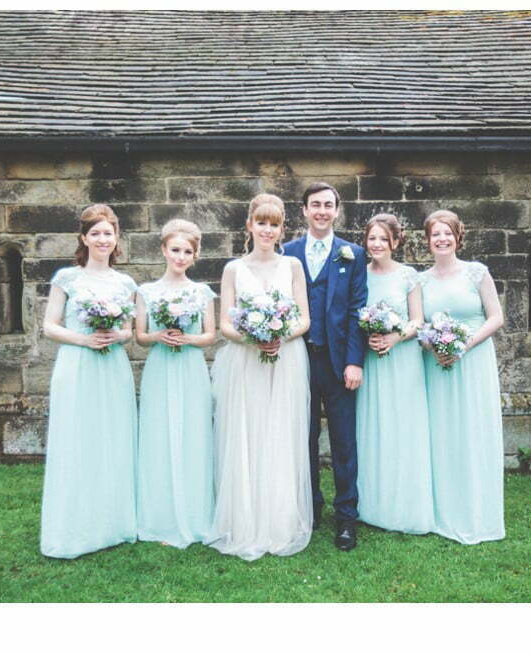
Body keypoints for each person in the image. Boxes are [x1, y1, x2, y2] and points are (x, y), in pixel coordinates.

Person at [206, 193, 312, 561]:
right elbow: (224, 324)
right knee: (247, 431)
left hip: (286, 358)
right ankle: (245, 522)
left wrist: (279, 335)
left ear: (282, 229)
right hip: (246, 360)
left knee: (280, 432)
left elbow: (304, 318)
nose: (267, 230)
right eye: (261, 223)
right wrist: (254, 338)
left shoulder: (293, 266)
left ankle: (279, 521)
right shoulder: (233, 269)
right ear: (249, 225)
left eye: (274, 224)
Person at [40, 204, 138, 559]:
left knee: (112, 438)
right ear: (83, 238)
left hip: (112, 366)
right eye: (95, 233)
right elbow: (50, 326)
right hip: (77, 364)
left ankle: (112, 524)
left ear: (116, 238)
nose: (102, 239)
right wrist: (84, 339)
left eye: (108, 233)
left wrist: (116, 335)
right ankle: (74, 527)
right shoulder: (67, 278)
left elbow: (128, 330)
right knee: (77, 439)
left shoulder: (125, 283)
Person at [284, 182, 368, 551]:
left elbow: (356, 311)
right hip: (297, 360)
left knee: (343, 442)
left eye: (328, 205)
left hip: (337, 363)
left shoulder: (353, 254)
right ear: (304, 210)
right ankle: (310, 508)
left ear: (337, 210)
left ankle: (346, 516)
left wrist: (354, 361)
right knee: (301, 438)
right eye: (315, 204)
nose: (321, 211)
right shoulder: (287, 253)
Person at [419, 210, 505, 544]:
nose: (442, 239)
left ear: (457, 237)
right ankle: (443, 509)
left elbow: (495, 317)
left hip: (473, 361)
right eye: (435, 234)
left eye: (447, 233)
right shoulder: (420, 281)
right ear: (427, 240)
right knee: (442, 432)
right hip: (436, 364)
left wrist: (463, 345)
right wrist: (434, 346)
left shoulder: (477, 272)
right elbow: (418, 323)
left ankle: (477, 509)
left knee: (473, 429)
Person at [135, 219, 216, 549]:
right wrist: (158, 335)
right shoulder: (146, 292)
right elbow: (140, 337)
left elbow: (210, 335)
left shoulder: (202, 292)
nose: (180, 257)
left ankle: (196, 514)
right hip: (160, 367)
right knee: (158, 434)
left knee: (193, 433)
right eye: (175, 250)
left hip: (190, 366)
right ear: (163, 250)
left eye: (187, 252)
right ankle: (160, 516)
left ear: (195, 256)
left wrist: (187, 339)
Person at [355, 214, 435, 534]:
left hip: (402, 360)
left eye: (383, 239)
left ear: (396, 242)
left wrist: (394, 337)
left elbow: (417, 320)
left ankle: (406, 505)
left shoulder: (408, 276)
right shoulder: (359, 274)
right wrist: (368, 336)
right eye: (372, 238)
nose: (376, 244)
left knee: (403, 427)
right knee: (374, 425)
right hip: (371, 362)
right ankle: (373, 505)